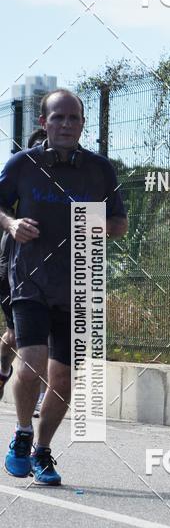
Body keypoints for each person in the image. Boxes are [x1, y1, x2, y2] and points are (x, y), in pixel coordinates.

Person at [0, 89, 128, 486]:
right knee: (33, 361)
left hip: (79, 282)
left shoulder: (99, 170)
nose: (67, 124)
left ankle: (42, 451)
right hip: (30, 280)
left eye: (74, 118)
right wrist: (12, 225)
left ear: (82, 125)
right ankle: (22, 433)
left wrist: (97, 226)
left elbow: (119, 225)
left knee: (65, 380)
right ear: (44, 123)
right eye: (58, 118)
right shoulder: (23, 164)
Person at [0, 128, 47, 414]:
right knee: (15, 336)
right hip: (13, 266)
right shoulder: (18, 176)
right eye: (40, 147)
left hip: (55, 270)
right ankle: (3, 367)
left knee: (48, 334)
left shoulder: (74, 179)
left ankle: (41, 394)